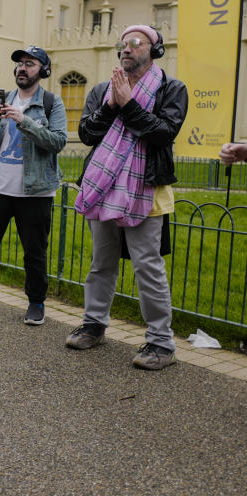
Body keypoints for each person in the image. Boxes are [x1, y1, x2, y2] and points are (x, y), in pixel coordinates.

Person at [67, 25, 188, 370]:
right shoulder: (103, 90)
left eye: (136, 43)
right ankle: (94, 324)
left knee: (147, 267)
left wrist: (129, 105)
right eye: (123, 43)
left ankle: (161, 343)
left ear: (155, 50)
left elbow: (164, 133)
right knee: (101, 263)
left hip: (146, 191)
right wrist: (111, 106)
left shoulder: (171, 89)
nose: (127, 48)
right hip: (102, 189)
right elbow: (87, 133)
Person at [0, 46, 67, 325]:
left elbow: (58, 142)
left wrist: (26, 121)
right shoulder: (2, 100)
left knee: (34, 252)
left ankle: (36, 303)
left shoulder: (52, 103)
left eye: (30, 64)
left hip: (36, 192)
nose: (22, 68)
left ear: (43, 70)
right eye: (20, 63)